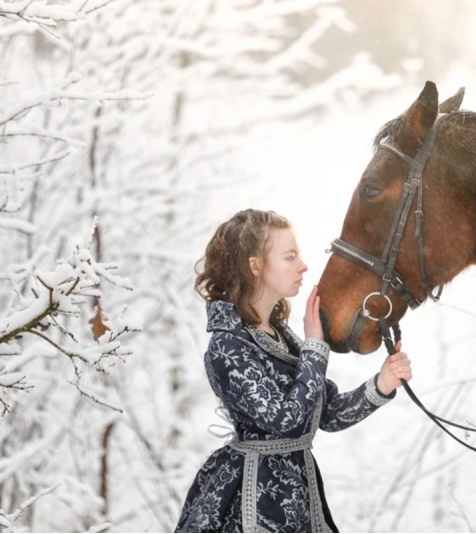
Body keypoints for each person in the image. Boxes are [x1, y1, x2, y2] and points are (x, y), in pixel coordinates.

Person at [175, 209, 412, 533]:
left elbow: (323, 414)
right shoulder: (227, 347)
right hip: (252, 501)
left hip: (301, 496)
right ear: (255, 266)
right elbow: (286, 421)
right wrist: (315, 346)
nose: (303, 266)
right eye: (289, 257)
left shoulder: (280, 335)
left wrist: (382, 384)